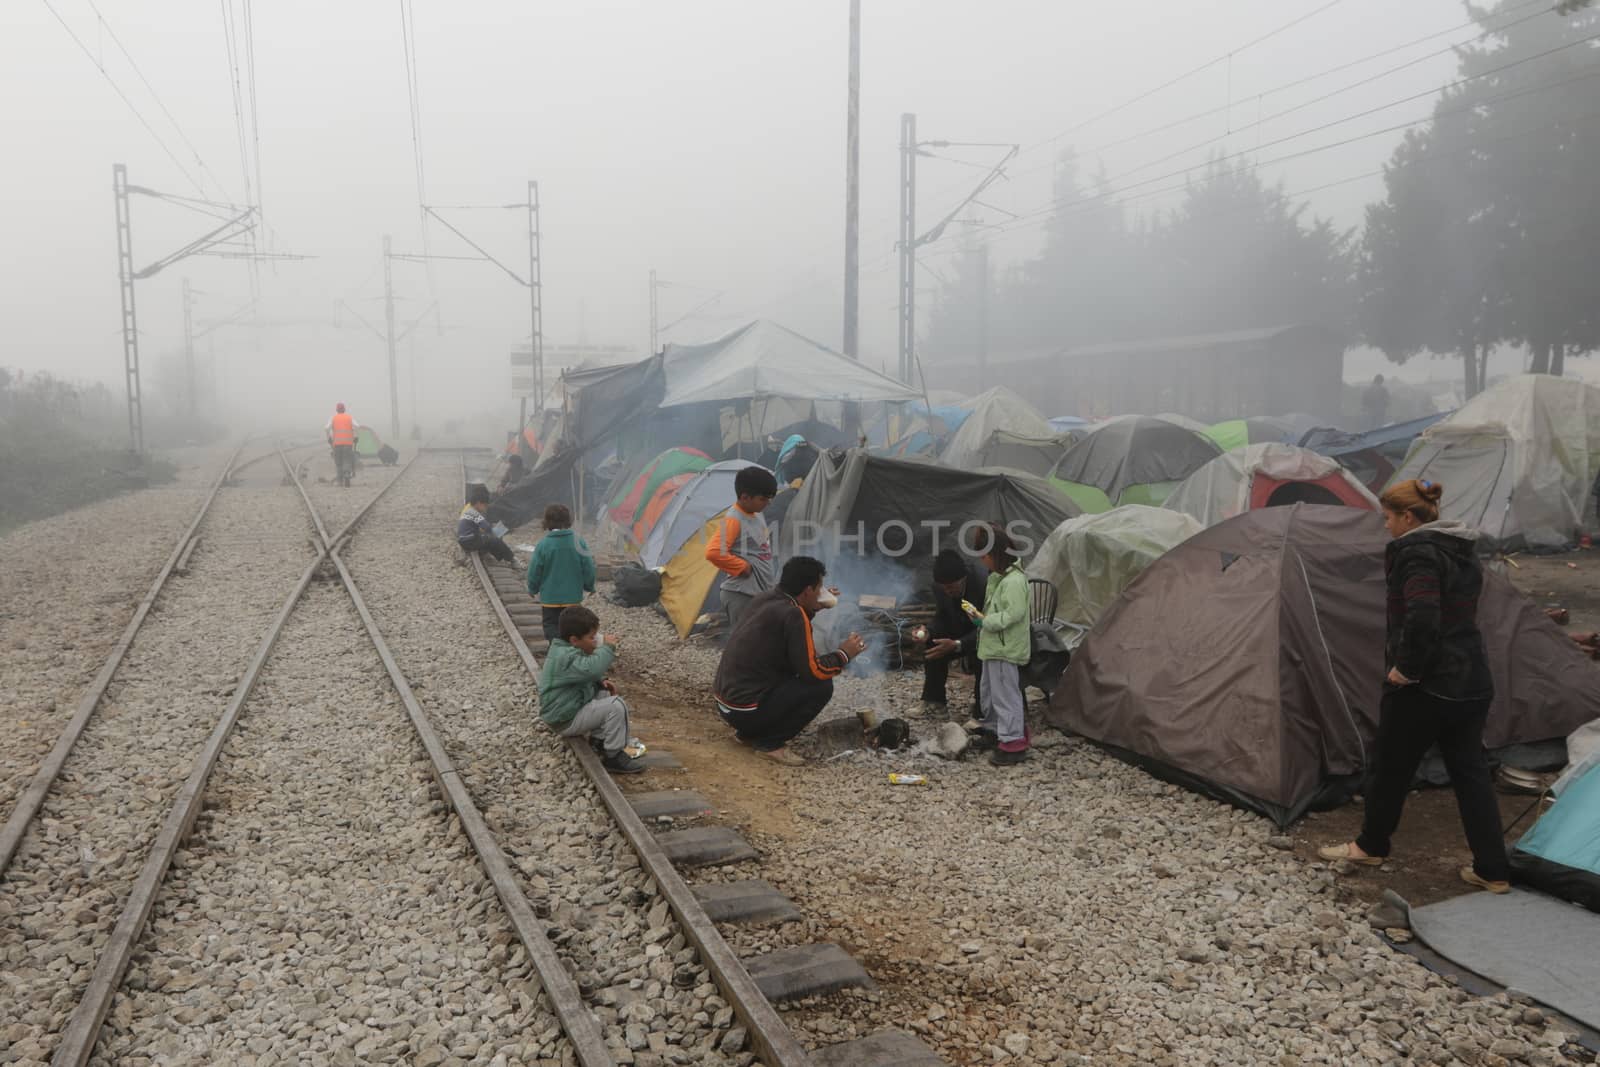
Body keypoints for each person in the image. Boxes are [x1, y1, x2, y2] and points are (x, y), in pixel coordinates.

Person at [1318, 479, 1510, 894]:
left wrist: (1406, 669)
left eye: (1388, 517)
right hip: (1472, 680)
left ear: (1408, 517)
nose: (1385, 526)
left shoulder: (1418, 553)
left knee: (1389, 767)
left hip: (1427, 686)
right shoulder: (1461, 550)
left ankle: (1371, 845)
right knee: (1471, 774)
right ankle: (1493, 869)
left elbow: (1424, 614)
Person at [712, 556, 867, 766]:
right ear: (807, 591)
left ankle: (747, 735)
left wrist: (816, 606)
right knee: (821, 686)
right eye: (819, 587)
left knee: (792, 671)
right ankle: (770, 743)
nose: (823, 591)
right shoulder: (794, 614)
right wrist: (844, 654)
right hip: (746, 710)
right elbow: (813, 670)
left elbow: (789, 632)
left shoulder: (766, 597)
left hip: (726, 704)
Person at [537, 606, 645, 774]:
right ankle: (614, 756)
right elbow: (591, 669)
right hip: (565, 720)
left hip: (565, 711)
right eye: (591, 637)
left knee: (604, 692)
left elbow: (582, 674)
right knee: (617, 705)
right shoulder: (566, 657)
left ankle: (599, 740)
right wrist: (608, 648)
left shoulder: (564, 650)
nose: (595, 641)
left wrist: (600, 681)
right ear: (574, 640)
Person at [968, 524, 1032, 767]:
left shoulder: (1014, 581)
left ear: (995, 554)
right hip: (994, 647)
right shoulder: (1000, 578)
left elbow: (1012, 614)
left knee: (1006, 695)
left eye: (984, 556)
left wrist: (985, 621)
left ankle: (1013, 742)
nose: (982, 561)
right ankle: (996, 731)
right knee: (990, 693)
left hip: (1006, 648)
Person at [705, 466, 778, 633]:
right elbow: (713, 552)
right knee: (746, 645)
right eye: (763, 499)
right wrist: (742, 567)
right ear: (745, 497)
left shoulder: (755, 512)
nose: (768, 503)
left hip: (757, 593)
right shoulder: (734, 519)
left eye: (770, 499)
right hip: (741, 595)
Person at [921, 547, 987, 717]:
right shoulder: (940, 587)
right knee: (933, 643)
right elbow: (942, 616)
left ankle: (982, 711)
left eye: (951, 586)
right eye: (944, 587)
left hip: (986, 634)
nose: (948, 591)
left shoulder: (982, 583)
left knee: (984, 654)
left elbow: (988, 626)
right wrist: (928, 631)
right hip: (961, 628)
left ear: (963, 578)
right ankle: (935, 702)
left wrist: (958, 644)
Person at [525, 503, 596, 641]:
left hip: (550, 599)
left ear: (547, 522)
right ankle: (571, 650)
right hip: (572, 598)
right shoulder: (578, 542)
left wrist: (532, 588)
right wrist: (590, 586)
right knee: (572, 627)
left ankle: (556, 650)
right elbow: (588, 566)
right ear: (568, 520)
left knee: (551, 626)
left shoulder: (543, 544)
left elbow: (535, 570)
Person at [456, 483, 515, 562]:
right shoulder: (475, 513)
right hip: (470, 541)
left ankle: (500, 557)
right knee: (494, 540)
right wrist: (495, 531)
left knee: (489, 539)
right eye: (485, 506)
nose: (486, 508)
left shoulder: (468, 511)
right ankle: (511, 559)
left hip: (464, 541)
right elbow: (486, 527)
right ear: (479, 503)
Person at [326, 402, 357, 480]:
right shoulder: (349, 418)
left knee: (338, 462)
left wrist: (329, 438)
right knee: (347, 459)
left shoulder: (333, 418)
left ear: (337, 410)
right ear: (344, 409)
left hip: (337, 444)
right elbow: (357, 426)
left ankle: (339, 480)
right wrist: (356, 437)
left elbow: (326, 428)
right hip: (348, 443)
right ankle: (347, 473)